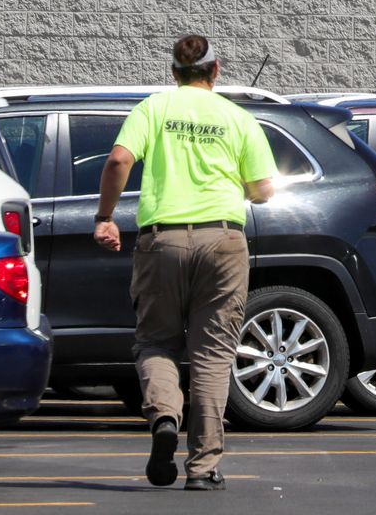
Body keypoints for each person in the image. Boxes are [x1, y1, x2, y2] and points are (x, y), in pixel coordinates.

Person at [92, 35, 276, 491]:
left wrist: (104, 217)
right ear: (215, 71)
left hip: (162, 239)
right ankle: (203, 466)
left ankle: (164, 419)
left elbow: (118, 159)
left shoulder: (153, 108)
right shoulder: (238, 118)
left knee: (156, 342)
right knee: (212, 355)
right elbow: (264, 190)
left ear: (173, 73)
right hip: (223, 239)